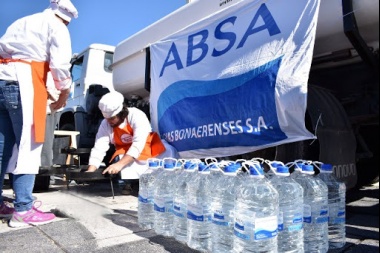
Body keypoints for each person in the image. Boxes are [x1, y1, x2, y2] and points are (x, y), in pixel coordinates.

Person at [0, 0, 78, 227]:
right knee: (29, 146)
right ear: (66, 19)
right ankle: (23, 209)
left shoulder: (23, 21)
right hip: (24, 82)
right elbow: (60, 65)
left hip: (2, 81)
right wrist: (64, 92)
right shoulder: (58, 27)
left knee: (3, 148)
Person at [86, 91, 179, 195]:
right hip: (125, 151)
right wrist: (91, 170)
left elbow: (138, 145)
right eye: (107, 119)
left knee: (169, 151)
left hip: (147, 146)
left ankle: (162, 182)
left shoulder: (136, 115)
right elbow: (99, 147)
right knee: (119, 159)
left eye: (112, 118)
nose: (109, 122)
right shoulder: (105, 124)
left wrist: (119, 165)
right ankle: (129, 183)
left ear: (121, 113)